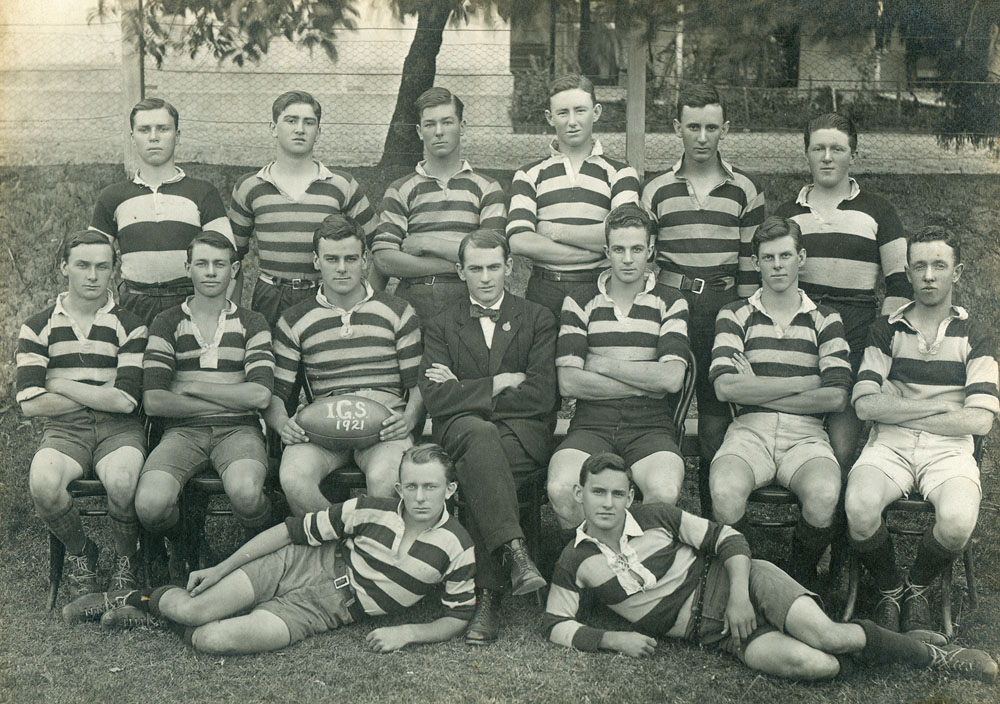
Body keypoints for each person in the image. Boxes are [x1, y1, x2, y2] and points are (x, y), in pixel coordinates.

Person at [542, 452, 997, 683]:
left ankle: (936, 658)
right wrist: (612, 639)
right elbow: (554, 623)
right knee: (815, 664)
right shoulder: (574, 561)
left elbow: (729, 538)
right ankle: (884, 645)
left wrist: (740, 596)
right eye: (598, 492)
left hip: (743, 583)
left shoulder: (655, 517)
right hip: (716, 635)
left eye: (617, 494)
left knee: (828, 636)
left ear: (630, 496)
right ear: (579, 494)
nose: (608, 503)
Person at [99, 445, 476, 655]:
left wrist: (406, 632)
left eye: (430, 487)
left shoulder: (458, 546)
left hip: (327, 610)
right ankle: (135, 599)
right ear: (399, 488)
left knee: (210, 639)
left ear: (451, 490)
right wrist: (220, 569)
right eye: (411, 486)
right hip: (299, 564)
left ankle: (154, 618)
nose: (420, 497)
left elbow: (458, 616)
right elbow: (288, 532)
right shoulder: (370, 510)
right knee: (191, 609)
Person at [845, 226, 998, 633]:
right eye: (919, 266)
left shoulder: (976, 334)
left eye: (939, 265)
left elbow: (980, 420)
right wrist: (942, 406)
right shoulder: (886, 329)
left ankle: (917, 587)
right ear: (908, 272)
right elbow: (864, 405)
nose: (929, 276)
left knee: (957, 521)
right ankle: (890, 588)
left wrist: (896, 406)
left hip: (950, 449)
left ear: (957, 272)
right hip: (890, 444)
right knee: (859, 508)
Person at [419, 229, 554, 645]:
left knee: (482, 457)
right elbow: (436, 398)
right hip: (460, 432)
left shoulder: (537, 318)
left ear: (509, 267)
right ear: (460, 271)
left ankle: (487, 596)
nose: (485, 277)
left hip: (520, 435)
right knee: (480, 440)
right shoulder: (442, 324)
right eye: (475, 268)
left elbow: (541, 395)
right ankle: (516, 552)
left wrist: (465, 390)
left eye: (494, 267)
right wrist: (498, 383)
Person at [641, 84, 766, 515]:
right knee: (662, 413)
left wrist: (744, 322)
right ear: (677, 127)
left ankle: (716, 520)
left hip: (723, 308)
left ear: (724, 129)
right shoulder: (657, 190)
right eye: (692, 126)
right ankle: (658, 514)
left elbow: (750, 265)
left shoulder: (744, 189)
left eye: (711, 127)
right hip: (671, 308)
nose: (701, 137)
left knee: (716, 419)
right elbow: (645, 262)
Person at [709, 217, 851, 587]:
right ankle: (750, 577)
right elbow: (725, 388)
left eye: (785, 256)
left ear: (800, 258)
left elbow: (836, 396)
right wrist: (803, 382)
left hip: (806, 435)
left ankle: (799, 577)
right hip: (748, 432)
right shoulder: (734, 314)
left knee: (824, 494)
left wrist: (756, 386)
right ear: (755, 262)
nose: (777, 265)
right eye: (768, 257)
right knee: (724, 491)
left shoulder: (826, 319)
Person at [775, 113, 912, 468]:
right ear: (806, 153)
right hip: (801, 329)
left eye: (837, 149)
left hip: (857, 329)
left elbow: (900, 283)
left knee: (841, 444)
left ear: (853, 154)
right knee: (796, 429)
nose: (827, 157)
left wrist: (878, 338)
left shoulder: (879, 211)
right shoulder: (788, 214)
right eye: (818, 148)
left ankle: (835, 498)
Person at [135, 231, 275, 579]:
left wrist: (194, 387)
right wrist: (230, 395)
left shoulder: (252, 322)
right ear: (188, 268)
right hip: (182, 434)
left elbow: (260, 395)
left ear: (235, 269)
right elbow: (154, 400)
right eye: (202, 263)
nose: (211, 272)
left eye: (219, 264)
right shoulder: (167, 322)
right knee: (150, 505)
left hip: (239, 431)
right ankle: (187, 541)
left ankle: (262, 549)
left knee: (247, 493)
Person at [16, 230, 148, 598]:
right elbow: (30, 403)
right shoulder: (37, 326)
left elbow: (126, 402)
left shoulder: (131, 324)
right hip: (64, 431)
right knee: (44, 483)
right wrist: (102, 389)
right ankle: (81, 552)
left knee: (123, 480)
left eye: (102, 267)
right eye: (82, 265)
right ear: (64, 267)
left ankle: (126, 558)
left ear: (113, 271)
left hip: (119, 430)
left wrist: (60, 383)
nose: (92, 276)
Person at [265, 214, 423, 514]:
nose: (341, 268)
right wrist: (284, 425)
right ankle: (340, 538)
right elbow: (275, 392)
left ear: (365, 260)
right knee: (294, 477)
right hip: (324, 426)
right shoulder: (294, 320)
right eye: (331, 259)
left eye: (350, 259)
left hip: (384, 426)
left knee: (386, 478)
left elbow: (418, 384)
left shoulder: (398, 311)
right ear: (316, 261)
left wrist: (409, 419)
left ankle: (369, 542)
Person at [547, 204, 689, 534]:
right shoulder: (579, 300)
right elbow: (569, 382)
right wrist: (645, 380)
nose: (628, 259)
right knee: (561, 489)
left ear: (650, 250)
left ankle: (638, 559)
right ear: (606, 251)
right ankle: (595, 559)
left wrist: (601, 363)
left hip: (650, 425)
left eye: (637, 249)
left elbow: (671, 379)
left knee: (664, 491)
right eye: (619, 249)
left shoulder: (671, 300)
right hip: (592, 422)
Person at [229, 90, 381, 332]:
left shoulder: (342, 185)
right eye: (291, 120)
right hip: (271, 295)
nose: (300, 129)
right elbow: (232, 258)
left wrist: (367, 300)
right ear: (273, 128)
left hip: (326, 294)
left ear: (318, 132)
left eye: (309, 123)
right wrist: (232, 315)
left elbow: (380, 247)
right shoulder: (250, 186)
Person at [90, 98, 236, 327]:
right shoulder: (112, 197)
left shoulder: (203, 193)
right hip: (134, 304)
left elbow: (228, 260)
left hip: (190, 304)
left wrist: (215, 313)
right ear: (132, 137)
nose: (154, 137)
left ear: (177, 136)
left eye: (163, 129)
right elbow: (91, 259)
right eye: (144, 130)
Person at [507, 73, 640, 322]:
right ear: (550, 118)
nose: (572, 122)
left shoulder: (620, 173)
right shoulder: (528, 175)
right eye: (562, 113)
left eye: (580, 111)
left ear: (596, 112)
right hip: (544, 290)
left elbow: (623, 235)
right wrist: (594, 252)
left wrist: (551, 230)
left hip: (599, 288)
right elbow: (519, 241)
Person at [372, 87, 507, 323]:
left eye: (447, 122)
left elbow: (490, 255)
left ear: (462, 126)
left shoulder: (487, 188)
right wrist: (462, 263)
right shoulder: (401, 190)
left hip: (471, 300)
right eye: (430, 124)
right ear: (419, 131)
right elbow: (384, 259)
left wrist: (428, 243)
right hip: (415, 299)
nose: (439, 132)